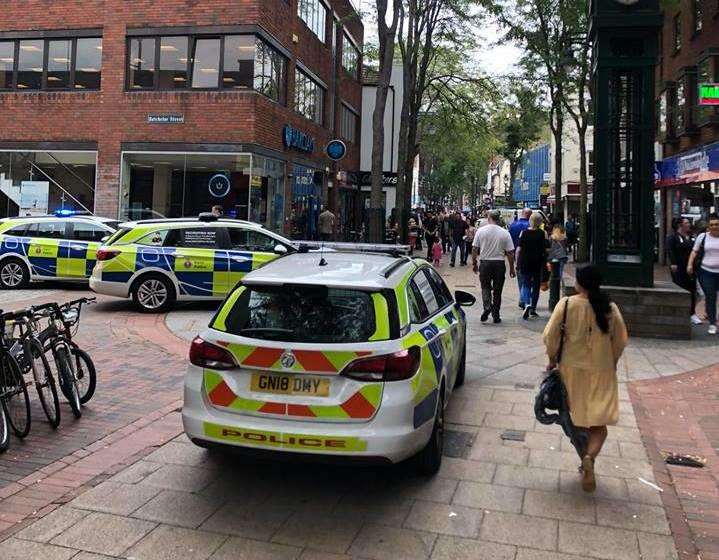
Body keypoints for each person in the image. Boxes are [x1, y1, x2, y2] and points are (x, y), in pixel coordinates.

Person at [543, 266, 628, 492]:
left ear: (579, 283)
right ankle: (589, 458)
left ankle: (585, 458)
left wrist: (552, 359)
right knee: (599, 424)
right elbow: (620, 340)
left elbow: (550, 336)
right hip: (602, 370)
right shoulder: (609, 307)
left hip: (571, 370)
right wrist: (614, 361)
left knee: (576, 422)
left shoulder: (567, 304)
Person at [472, 210, 516, 324]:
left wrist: (474, 263)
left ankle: (487, 306)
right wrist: (511, 268)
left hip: (485, 263)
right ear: (498, 218)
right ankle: (496, 313)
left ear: (489, 218)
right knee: (497, 290)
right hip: (499, 264)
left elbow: (474, 249)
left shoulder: (481, 231)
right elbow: (510, 252)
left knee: (485, 287)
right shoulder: (505, 232)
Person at [687, 213, 719, 335]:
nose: (714, 227)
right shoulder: (702, 237)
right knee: (711, 297)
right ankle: (712, 323)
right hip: (706, 272)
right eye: (712, 225)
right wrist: (690, 264)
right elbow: (694, 252)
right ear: (708, 226)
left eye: (716, 224)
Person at [667, 218, 701, 325]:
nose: (689, 225)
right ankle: (679, 313)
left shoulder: (691, 237)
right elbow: (670, 250)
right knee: (680, 288)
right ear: (680, 225)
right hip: (679, 267)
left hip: (691, 268)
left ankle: (692, 313)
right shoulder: (673, 237)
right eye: (686, 223)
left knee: (692, 290)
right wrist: (673, 263)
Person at [517, 213, 549, 320]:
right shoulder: (543, 233)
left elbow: (519, 249)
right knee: (536, 285)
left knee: (526, 283)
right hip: (538, 262)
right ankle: (533, 308)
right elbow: (547, 248)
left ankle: (526, 303)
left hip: (525, 261)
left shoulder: (524, 233)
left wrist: (517, 262)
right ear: (540, 222)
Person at [510, 208, 532, 308]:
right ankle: (526, 299)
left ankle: (522, 297)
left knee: (520, 277)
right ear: (529, 215)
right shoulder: (531, 226)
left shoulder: (513, 225)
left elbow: (509, 241)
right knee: (528, 278)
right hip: (529, 255)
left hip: (516, 254)